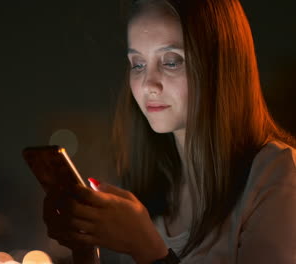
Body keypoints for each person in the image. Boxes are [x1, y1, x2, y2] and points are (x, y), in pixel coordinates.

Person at [42, 0, 296, 263]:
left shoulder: (275, 175)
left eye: (172, 61)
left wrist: (147, 248)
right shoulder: (147, 189)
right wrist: (85, 245)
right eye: (138, 64)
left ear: (220, 63)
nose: (148, 83)